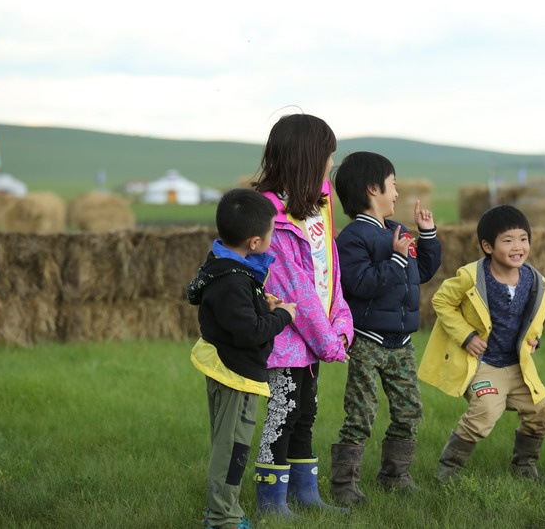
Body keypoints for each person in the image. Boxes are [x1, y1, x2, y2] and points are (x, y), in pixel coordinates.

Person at [253, 113, 354, 516]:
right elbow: (293, 287)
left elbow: (330, 271)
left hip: (315, 337)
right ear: (308, 158)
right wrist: (328, 339)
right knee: (283, 414)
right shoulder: (270, 215)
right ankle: (271, 504)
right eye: (328, 154)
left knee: (305, 412)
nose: (332, 162)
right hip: (286, 337)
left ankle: (305, 495)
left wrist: (341, 321)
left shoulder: (317, 209)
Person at [330, 151, 442, 505]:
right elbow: (359, 285)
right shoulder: (352, 239)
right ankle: (344, 484)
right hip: (367, 341)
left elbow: (419, 274)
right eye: (393, 186)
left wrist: (427, 237)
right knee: (361, 413)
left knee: (410, 410)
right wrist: (395, 258)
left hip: (402, 342)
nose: (396, 194)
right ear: (371, 189)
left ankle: (396, 475)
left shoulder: (398, 231)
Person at [418, 205, 545, 482]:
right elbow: (441, 301)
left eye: (523, 239)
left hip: (517, 366)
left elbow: (532, 315)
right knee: (485, 411)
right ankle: (449, 470)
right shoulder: (472, 277)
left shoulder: (532, 279)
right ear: (487, 246)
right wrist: (466, 336)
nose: (518, 247)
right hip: (483, 365)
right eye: (508, 240)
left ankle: (524, 465)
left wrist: (534, 338)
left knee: (542, 411)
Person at [186, 188, 297, 529]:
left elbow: (234, 315)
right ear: (253, 242)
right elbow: (249, 332)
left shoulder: (222, 267)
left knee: (227, 443)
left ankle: (223, 512)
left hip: (228, 366)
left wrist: (261, 305)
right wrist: (284, 316)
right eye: (270, 232)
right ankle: (223, 518)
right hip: (235, 373)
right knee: (232, 449)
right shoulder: (234, 280)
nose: (272, 237)